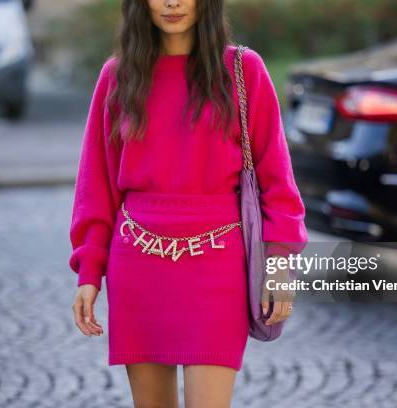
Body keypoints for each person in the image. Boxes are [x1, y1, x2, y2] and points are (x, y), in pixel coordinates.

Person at [68, 0, 307, 406]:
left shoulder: (243, 71)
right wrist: (89, 271)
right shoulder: (117, 76)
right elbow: (97, 186)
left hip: (218, 264)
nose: (173, 2)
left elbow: (277, 178)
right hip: (138, 265)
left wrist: (279, 261)